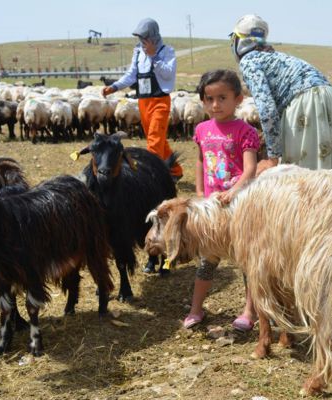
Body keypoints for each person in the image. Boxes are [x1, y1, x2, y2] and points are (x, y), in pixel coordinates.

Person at [183, 69, 259, 331]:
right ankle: (196, 309)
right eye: (209, 99)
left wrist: (235, 190)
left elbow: (250, 169)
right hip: (212, 207)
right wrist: (200, 193)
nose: (215, 105)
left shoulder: (245, 131)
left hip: (237, 205)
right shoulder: (202, 129)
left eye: (222, 98)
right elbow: (201, 161)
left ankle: (249, 311)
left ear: (238, 99)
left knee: (246, 260)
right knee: (207, 259)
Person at [230, 14, 332, 175]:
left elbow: (267, 109)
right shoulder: (275, 57)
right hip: (330, 97)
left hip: (306, 101)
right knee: (327, 167)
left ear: (239, 40)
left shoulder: (249, 61)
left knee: (302, 173)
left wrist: (273, 156)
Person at [102, 18, 183, 182]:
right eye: (140, 38)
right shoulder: (138, 52)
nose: (142, 41)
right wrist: (115, 86)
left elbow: (168, 73)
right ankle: (174, 170)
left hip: (160, 100)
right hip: (143, 102)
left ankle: (150, 175)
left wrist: (154, 56)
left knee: (154, 138)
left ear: (153, 35)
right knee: (157, 138)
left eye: (145, 37)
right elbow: (132, 75)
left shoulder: (167, 51)